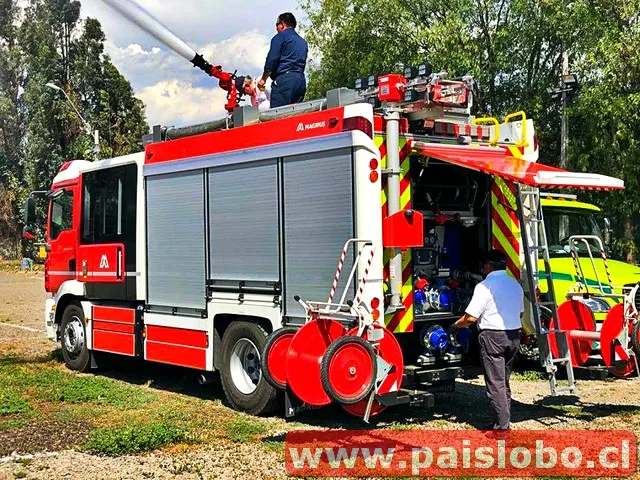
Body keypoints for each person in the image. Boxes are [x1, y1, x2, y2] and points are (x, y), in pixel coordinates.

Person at [454, 249, 524, 431]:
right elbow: (521, 312)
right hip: (514, 335)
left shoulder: (485, 286)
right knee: (503, 381)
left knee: (496, 383)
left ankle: (502, 427)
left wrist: (456, 325)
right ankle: (499, 421)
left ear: (488, 266)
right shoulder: (514, 284)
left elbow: (470, 318)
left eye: (483, 265)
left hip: (493, 337)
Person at [258, 12, 308, 108]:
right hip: (300, 81)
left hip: (284, 81)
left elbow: (272, 59)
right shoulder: (303, 42)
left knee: (278, 116)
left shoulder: (280, 37)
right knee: (295, 114)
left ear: (282, 24)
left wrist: (263, 79)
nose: (276, 28)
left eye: (277, 25)